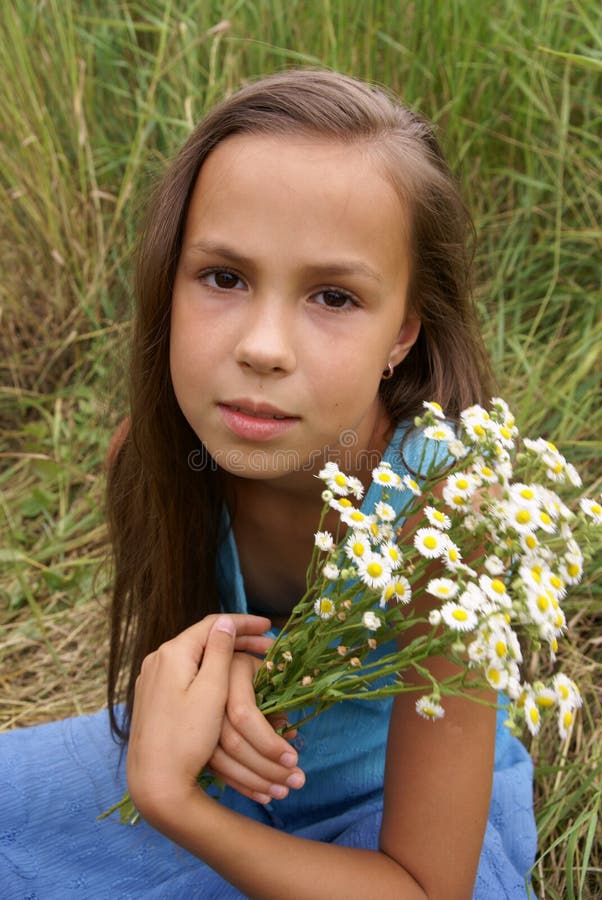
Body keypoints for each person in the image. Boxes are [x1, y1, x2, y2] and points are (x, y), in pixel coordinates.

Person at [0, 70, 537, 899]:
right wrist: (223, 680)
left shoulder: (448, 518)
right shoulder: (148, 461)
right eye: (223, 277)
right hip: (228, 774)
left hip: (390, 832)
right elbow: (175, 666)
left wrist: (176, 804)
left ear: (401, 333)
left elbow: (422, 887)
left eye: (332, 295)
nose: (263, 346)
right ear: (166, 283)